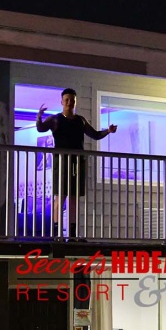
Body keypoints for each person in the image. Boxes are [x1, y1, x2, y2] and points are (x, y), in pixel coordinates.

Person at [36, 88, 117, 238]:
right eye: (66, 100)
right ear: (62, 102)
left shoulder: (80, 120)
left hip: (77, 163)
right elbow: (41, 129)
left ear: (75, 102)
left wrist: (108, 131)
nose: (69, 103)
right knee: (60, 197)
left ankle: (72, 234)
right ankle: (57, 233)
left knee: (73, 199)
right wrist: (39, 117)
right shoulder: (55, 119)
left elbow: (94, 134)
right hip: (61, 162)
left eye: (72, 100)